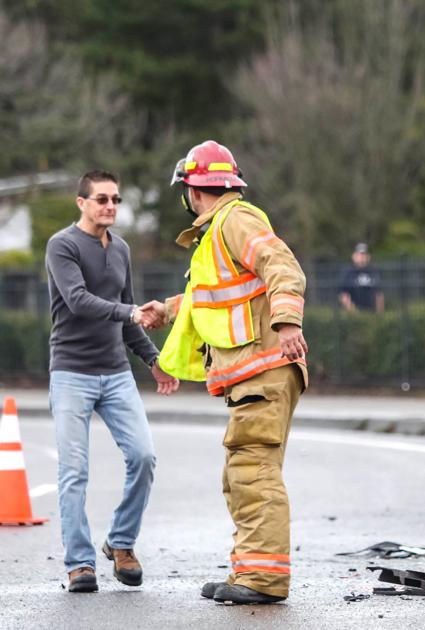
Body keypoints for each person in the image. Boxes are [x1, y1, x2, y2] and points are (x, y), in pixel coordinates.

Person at [139, 140, 308, 605]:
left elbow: (283, 267)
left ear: (191, 190)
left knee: (253, 472)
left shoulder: (235, 220)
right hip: (253, 373)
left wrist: (288, 321)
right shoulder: (217, 231)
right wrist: (168, 309)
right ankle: (249, 570)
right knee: (241, 474)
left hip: (264, 368)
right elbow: (211, 296)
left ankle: (263, 579)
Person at [44, 170, 179, 594]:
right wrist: (131, 312)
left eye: (116, 200)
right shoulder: (62, 245)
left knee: (143, 457)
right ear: (81, 202)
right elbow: (79, 300)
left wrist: (154, 360)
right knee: (74, 472)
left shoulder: (120, 249)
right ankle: (80, 563)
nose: (110, 206)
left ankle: (120, 543)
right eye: (102, 199)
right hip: (71, 373)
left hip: (116, 374)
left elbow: (125, 315)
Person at [337, 242, 384, 312]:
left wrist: (379, 316)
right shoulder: (347, 272)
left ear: (368, 257)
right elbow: (343, 295)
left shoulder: (374, 271)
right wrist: (355, 314)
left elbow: (379, 295)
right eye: (359, 255)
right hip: (353, 314)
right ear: (353, 256)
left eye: (364, 255)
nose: (362, 257)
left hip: (372, 314)